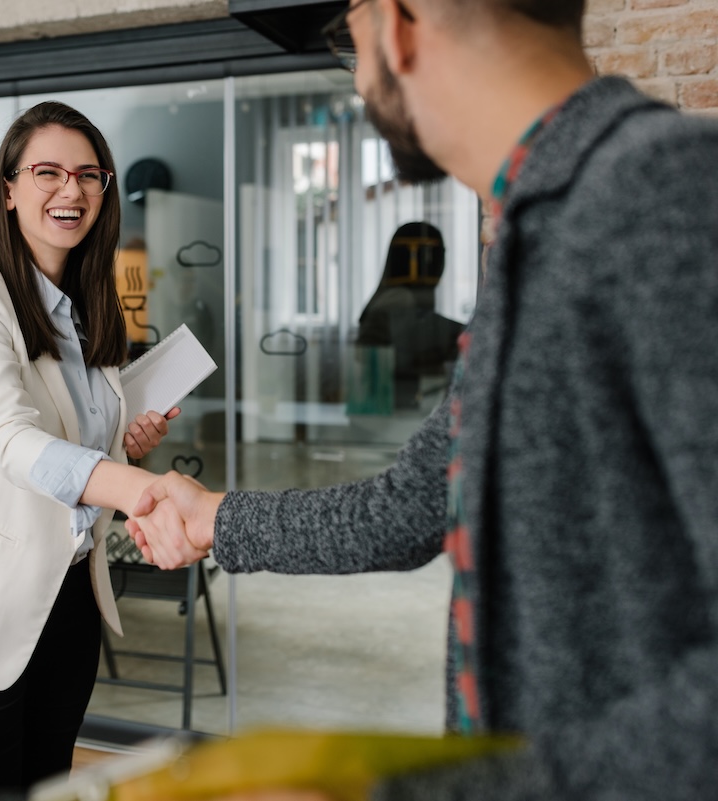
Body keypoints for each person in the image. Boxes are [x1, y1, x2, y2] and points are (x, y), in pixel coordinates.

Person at [126, 0, 718, 798]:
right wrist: (214, 518)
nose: (359, 71)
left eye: (349, 35)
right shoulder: (535, 236)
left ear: (397, 23)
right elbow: (410, 507)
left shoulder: (666, 194)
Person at [0, 101, 179, 799]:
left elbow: (70, 438)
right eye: (47, 172)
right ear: (9, 189)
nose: (70, 190)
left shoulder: (86, 301)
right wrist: (139, 491)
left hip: (66, 595)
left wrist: (122, 442)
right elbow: (12, 439)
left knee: (49, 787)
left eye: (87, 175)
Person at [355, 221, 462, 409]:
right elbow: (419, 343)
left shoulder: (400, 296)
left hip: (399, 406)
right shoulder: (399, 298)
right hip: (388, 413)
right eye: (437, 255)